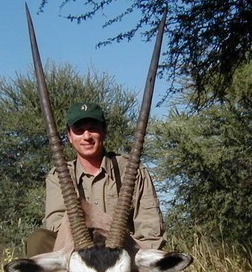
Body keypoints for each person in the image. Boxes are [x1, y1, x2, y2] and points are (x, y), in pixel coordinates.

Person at [26, 102, 166, 257]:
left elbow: (149, 228)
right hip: (78, 254)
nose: (87, 137)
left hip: (123, 254)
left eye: (93, 129)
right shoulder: (58, 176)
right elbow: (57, 228)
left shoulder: (132, 170)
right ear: (69, 137)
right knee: (38, 240)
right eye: (79, 131)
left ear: (104, 131)